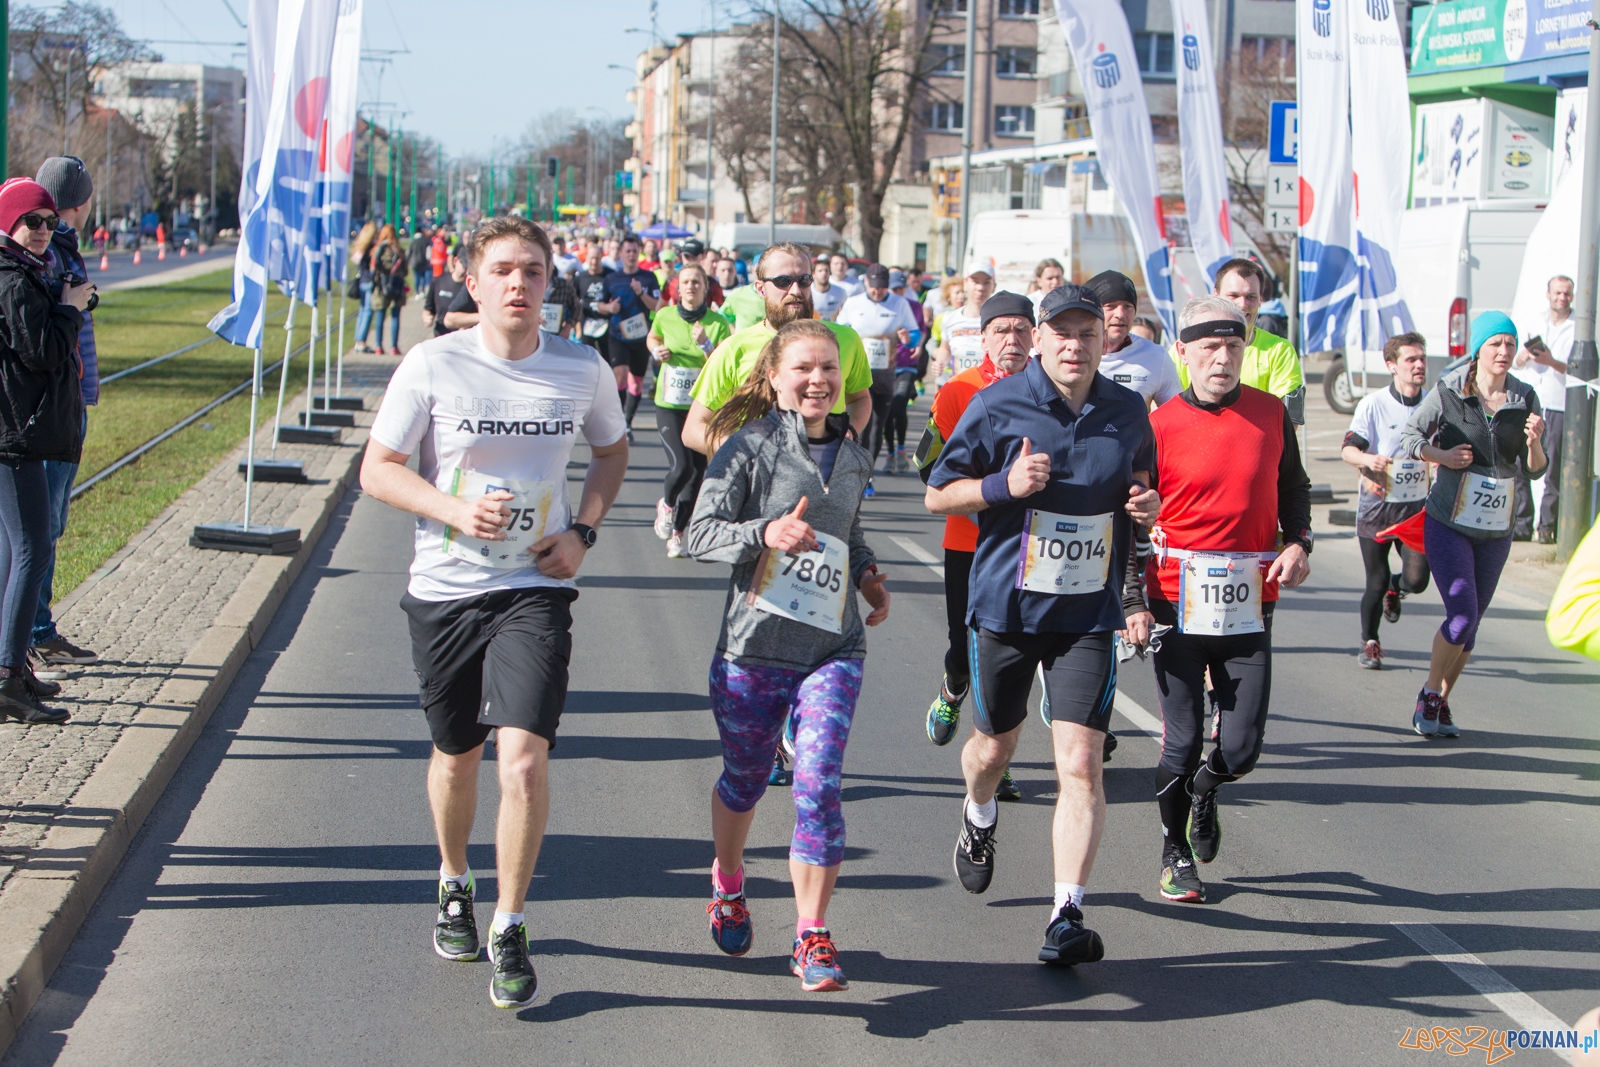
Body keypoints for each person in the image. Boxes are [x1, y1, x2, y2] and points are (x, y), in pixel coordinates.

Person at [360, 216, 629, 1009]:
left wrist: (582, 530)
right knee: (458, 755)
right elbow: (379, 469)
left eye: (535, 271)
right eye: (504, 270)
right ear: (472, 283)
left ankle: (511, 921)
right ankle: (454, 878)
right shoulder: (433, 363)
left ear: (551, 284)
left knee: (523, 759)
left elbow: (611, 450)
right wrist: (451, 509)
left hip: (535, 588)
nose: (520, 284)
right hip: (446, 586)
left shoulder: (580, 368)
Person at [925, 284, 1162, 966]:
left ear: (1101, 339)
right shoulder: (997, 405)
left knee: (1082, 763)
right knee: (993, 750)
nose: (1074, 343)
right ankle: (978, 812)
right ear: (1040, 337)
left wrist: (1144, 507)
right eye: (1061, 331)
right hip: (1006, 606)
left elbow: (1141, 491)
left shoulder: (1126, 411)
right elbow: (938, 492)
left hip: (1086, 613)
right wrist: (1003, 487)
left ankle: (1066, 913)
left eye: (1087, 332)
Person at [686, 318, 890, 993]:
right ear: (774, 377)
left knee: (818, 782)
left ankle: (811, 932)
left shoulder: (856, 455)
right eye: (803, 368)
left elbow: (849, 532)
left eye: (829, 368)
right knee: (745, 780)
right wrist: (764, 531)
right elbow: (700, 534)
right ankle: (728, 881)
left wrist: (866, 575)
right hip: (753, 651)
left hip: (833, 646)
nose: (818, 380)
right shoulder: (747, 448)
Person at [1142, 296, 1312, 905]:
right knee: (1181, 740)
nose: (1222, 359)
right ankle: (1173, 850)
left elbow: (1294, 487)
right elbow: (1132, 516)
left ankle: (1208, 790)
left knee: (1239, 749)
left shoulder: (1269, 414)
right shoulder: (1157, 427)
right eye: (1209, 348)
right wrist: (1135, 597)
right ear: (1181, 353)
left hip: (1249, 606)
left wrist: (1299, 542)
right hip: (1174, 604)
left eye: (1233, 347)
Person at [1400, 311, 1545, 738]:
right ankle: (1429, 693)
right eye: (1495, 343)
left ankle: (1440, 702)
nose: (1503, 352)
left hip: (1496, 529)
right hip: (1449, 520)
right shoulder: (1448, 390)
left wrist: (1534, 443)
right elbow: (1410, 438)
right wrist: (1442, 457)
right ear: (1478, 348)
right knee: (1461, 615)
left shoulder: (1525, 397)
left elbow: (1536, 470)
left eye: (1510, 344)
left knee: (1473, 626)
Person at [914, 291, 1036, 801]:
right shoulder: (958, 391)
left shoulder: (1052, 388)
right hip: (968, 542)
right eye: (1001, 330)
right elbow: (928, 468)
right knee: (965, 649)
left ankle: (995, 757)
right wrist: (988, 486)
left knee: (1006, 654)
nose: (1012, 339)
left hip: (1029, 546)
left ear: (1036, 335)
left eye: (1021, 329)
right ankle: (952, 684)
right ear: (982, 337)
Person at [0, 178, 92, 724]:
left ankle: (14, 669)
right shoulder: (12, 279)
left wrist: (64, 301)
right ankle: (10, 676)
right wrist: (70, 308)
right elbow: (43, 353)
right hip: (17, 436)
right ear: (10, 222)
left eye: (49, 222)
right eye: (31, 221)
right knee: (32, 547)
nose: (41, 232)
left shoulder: (26, 272)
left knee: (17, 550)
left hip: (23, 432)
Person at [681, 243, 874, 456]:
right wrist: (748, 452)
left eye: (804, 280)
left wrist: (850, 430)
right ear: (760, 288)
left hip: (825, 476)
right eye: (783, 281)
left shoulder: (846, 339)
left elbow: (860, 399)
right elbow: (693, 429)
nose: (795, 290)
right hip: (759, 482)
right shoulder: (734, 348)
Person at [29, 157, 101, 678]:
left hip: (67, 400)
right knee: (40, 529)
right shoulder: (52, 251)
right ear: (80, 200)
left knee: (45, 526)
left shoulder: (62, 248)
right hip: (53, 406)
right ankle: (30, 637)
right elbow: (50, 332)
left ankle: (36, 630)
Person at [1341, 333, 1432, 670]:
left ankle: (1399, 587)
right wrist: (1368, 460)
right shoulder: (1374, 404)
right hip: (1378, 508)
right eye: (1411, 360)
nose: (1419, 365)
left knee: (1418, 580)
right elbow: (1348, 449)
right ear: (1392, 366)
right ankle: (1370, 642)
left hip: (1415, 511)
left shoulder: (1433, 404)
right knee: (1375, 581)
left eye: (1422, 358)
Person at [648, 263, 731, 557]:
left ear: (705, 288)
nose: (691, 287)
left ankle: (679, 533)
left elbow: (722, 365)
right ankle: (667, 506)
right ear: (677, 287)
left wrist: (706, 344)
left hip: (702, 408)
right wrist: (656, 351)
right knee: (681, 466)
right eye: (686, 282)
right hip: (669, 404)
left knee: (697, 474)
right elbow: (653, 337)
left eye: (697, 282)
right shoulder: (665, 316)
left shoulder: (717, 322)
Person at [1171, 258, 1305, 423]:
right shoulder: (1188, 348)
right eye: (1233, 296)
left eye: (1251, 296)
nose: (1242, 304)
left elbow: (1289, 422)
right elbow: (1169, 413)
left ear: (1260, 300)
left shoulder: (1280, 350)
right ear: (1216, 295)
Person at [835, 263, 920, 486]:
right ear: (865, 283)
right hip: (856, 373)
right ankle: (853, 472)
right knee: (858, 424)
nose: (877, 291)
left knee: (877, 427)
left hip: (884, 375)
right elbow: (837, 331)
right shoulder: (853, 304)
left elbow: (915, 334)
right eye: (873, 287)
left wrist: (907, 338)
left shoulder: (899, 304)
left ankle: (867, 476)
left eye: (882, 287)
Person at [1512, 275, 1573, 543]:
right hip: (1532, 399)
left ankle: (1547, 526)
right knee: (1521, 460)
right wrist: (1523, 357)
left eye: (1567, 294)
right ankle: (1523, 524)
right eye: (1558, 293)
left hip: (1559, 401)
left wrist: (1551, 361)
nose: (1562, 298)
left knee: (1553, 464)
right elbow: (1515, 363)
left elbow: (1579, 370)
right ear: (1548, 295)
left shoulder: (1577, 328)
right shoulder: (1535, 321)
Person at [596, 234, 662, 437]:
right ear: (622, 254)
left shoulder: (648, 278)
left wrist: (641, 292)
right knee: (620, 376)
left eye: (635, 251)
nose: (631, 255)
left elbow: (658, 307)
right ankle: (617, 421)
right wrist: (609, 307)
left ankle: (628, 421)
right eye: (628, 251)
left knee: (636, 382)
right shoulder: (611, 278)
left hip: (641, 336)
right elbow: (600, 305)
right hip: (618, 335)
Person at [1086, 270, 1181, 408]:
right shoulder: (1073, 352)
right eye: (1110, 306)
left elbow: (1176, 415)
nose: (1120, 314)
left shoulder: (1156, 356)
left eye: (1128, 306)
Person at [887, 268, 927, 473]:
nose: (898, 292)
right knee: (886, 412)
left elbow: (921, 329)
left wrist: (918, 344)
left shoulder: (914, 306)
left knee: (899, 403)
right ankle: (891, 453)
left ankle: (901, 450)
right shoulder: (882, 307)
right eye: (894, 289)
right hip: (884, 366)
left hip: (906, 363)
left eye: (901, 288)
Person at [931, 259, 995, 380]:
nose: (980, 287)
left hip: (988, 390)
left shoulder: (999, 320)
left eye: (986, 282)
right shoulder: (950, 319)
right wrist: (940, 363)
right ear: (965, 284)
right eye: (975, 282)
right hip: (959, 387)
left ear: (993, 286)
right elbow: (945, 349)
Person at [366, 225, 407, 355]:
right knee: (395, 316)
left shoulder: (377, 251)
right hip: (397, 286)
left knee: (380, 317)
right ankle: (394, 346)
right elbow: (405, 271)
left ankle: (379, 346)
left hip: (381, 287)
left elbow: (372, 270)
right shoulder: (399, 251)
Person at [573, 241, 613, 371]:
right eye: (591, 258)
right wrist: (576, 324)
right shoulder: (581, 277)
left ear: (601, 257)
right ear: (587, 258)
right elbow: (575, 300)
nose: (594, 262)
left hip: (606, 322)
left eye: (597, 258)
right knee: (586, 360)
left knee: (607, 360)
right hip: (587, 321)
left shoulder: (610, 275)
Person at [424, 247, 468, 337]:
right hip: (441, 334)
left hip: (463, 338)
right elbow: (429, 308)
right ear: (455, 261)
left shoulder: (472, 287)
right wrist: (427, 318)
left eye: (470, 268)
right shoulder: (438, 281)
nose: (466, 271)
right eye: (464, 266)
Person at [350, 221, 378, 352]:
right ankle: (361, 341)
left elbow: (355, 261)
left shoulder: (360, 247)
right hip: (369, 281)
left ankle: (358, 340)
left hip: (361, 281)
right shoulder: (371, 248)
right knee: (367, 311)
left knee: (362, 311)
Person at [717, 256, 765, 330]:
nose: (727, 274)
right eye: (723, 270)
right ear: (753, 269)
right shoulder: (738, 294)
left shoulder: (779, 294)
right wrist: (734, 334)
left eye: (730, 270)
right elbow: (722, 317)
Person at [810, 257, 847, 322]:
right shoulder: (808, 292)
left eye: (826, 270)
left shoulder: (840, 292)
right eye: (820, 271)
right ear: (813, 274)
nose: (824, 273)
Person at [408, 227, 432, 299]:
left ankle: (417, 292)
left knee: (416, 277)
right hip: (423, 261)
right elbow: (429, 250)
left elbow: (409, 252)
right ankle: (422, 291)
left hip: (415, 262)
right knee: (423, 277)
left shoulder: (413, 241)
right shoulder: (425, 240)